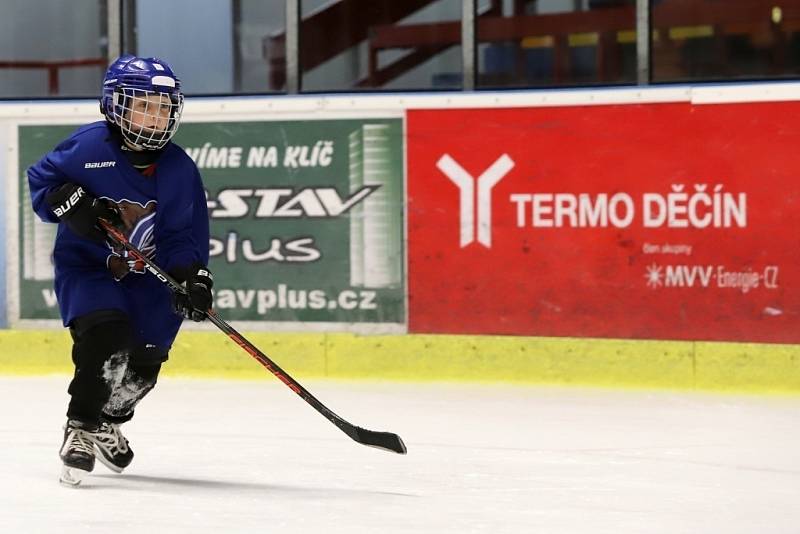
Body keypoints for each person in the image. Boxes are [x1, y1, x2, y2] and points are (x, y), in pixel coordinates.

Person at [27, 55, 213, 486]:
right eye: (145, 105)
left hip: (150, 279)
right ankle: (81, 426)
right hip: (90, 268)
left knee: (144, 368)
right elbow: (43, 183)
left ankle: (110, 418)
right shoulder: (89, 148)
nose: (156, 117)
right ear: (116, 105)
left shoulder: (179, 168)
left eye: (165, 107)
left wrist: (192, 277)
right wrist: (72, 204)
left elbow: (181, 237)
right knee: (106, 338)